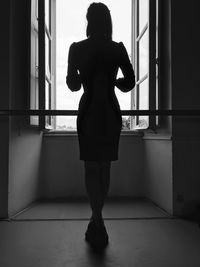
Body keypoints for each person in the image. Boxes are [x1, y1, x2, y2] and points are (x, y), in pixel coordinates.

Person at [66, 2, 135, 249]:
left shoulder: (77, 49)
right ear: (108, 21)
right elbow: (130, 82)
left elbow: (73, 86)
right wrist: (114, 82)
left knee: (90, 167)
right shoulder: (117, 49)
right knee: (104, 167)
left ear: (88, 20)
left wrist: (76, 75)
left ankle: (97, 220)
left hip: (88, 112)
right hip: (110, 111)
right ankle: (98, 220)